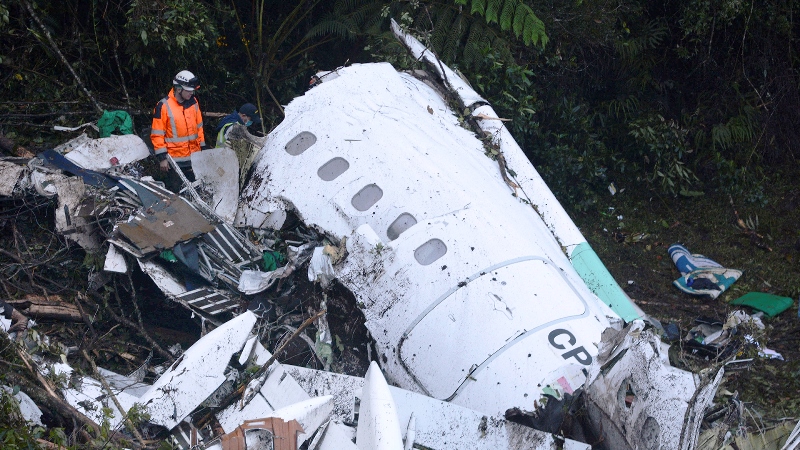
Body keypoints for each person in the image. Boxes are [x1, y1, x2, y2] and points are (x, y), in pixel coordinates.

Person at [150, 70, 206, 182]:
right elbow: (157, 134)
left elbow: (199, 127)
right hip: (174, 161)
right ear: (179, 89)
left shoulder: (193, 102)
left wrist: (203, 149)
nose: (192, 93)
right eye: (189, 91)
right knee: (177, 193)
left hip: (194, 158)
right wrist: (162, 158)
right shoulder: (163, 106)